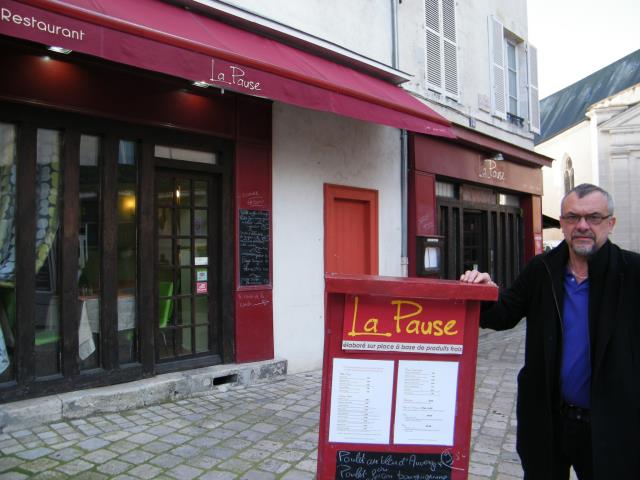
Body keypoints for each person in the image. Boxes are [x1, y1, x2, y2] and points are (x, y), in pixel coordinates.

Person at [460, 183, 640, 480]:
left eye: (593, 217)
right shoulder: (542, 269)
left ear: (611, 223)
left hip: (612, 425)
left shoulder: (632, 273)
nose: (582, 225)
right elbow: (504, 314)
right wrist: (483, 293)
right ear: (563, 223)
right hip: (548, 421)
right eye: (572, 218)